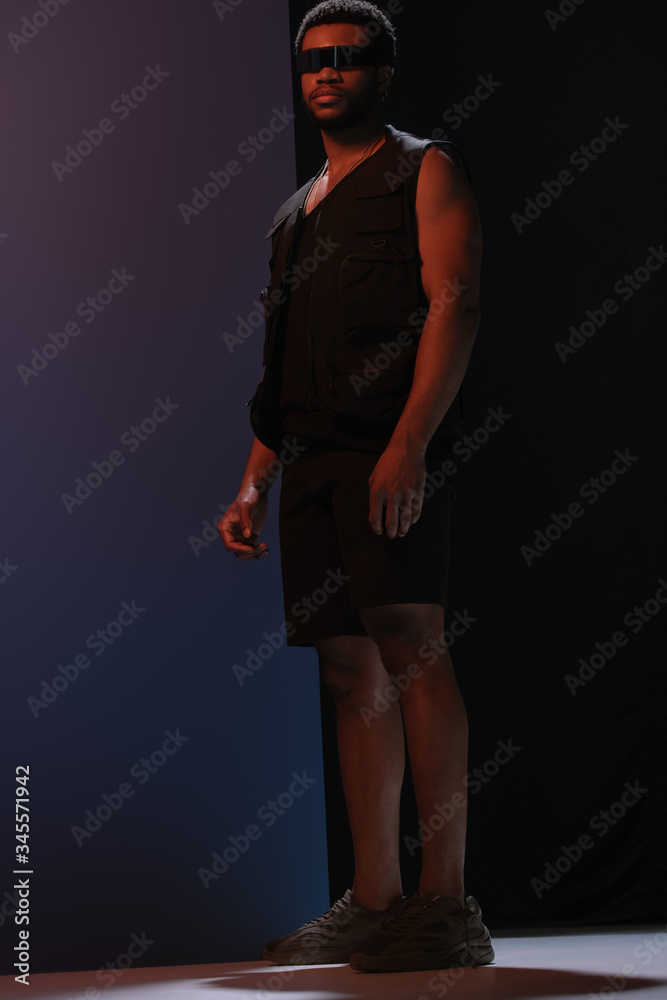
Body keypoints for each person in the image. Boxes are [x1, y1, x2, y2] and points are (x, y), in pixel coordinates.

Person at [219, 0, 494, 975]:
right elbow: (279, 370)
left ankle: (446, 903)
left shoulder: (427, 169)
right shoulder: (293, 215)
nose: (327, 72)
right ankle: (374, 902)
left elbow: (456, 305)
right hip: (311, 468)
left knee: (413, 649)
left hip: (389, 454)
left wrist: (410, 442)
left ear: (382, 69)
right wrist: (252, 484)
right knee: (348, 672)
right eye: (313, 61)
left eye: (348, 56)